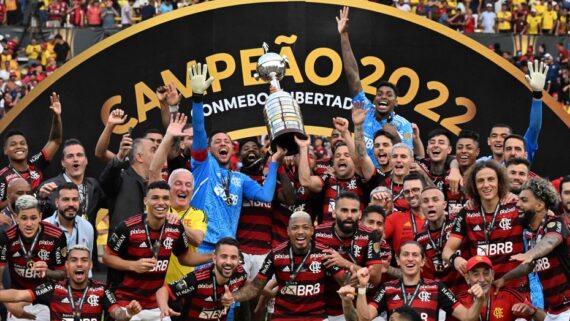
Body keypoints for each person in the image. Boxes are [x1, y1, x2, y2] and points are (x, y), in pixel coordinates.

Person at [189, 63, 283, 255]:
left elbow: (266, 196)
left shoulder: (241, 180)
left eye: (227, 141)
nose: (223, 143)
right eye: (217, 141)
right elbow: (199, 130)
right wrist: (197, 99)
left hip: (227, 251)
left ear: (233, 149)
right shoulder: (202, 166)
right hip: (200, 245)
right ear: (209, 147)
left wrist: (275, 161)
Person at [103, 181, 209, 321]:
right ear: (145, 201)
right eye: (155, 198)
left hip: (155, 304)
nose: (161, 203)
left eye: (165, 198)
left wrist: (212, 256)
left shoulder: (176, 228)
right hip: (126, 301)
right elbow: (107, 258)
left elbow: (185, 258)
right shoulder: (128, 227)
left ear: (170, 201)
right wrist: (133, 265)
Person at [221, 211, 345, 320]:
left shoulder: (324, 253)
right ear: (288, 231)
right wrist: (233, 297)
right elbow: (255, 287)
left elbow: (345, 281)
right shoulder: (276, 254)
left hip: (316, 317)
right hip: (284, 316)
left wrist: (353, 276)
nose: (300, 232)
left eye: (305, 227)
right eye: (295, 228)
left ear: (312, 230)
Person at [337, 7, 413, 169]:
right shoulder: (365, 109)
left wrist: (395, 138)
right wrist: (344, 35)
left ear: (396, 103)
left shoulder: (404, 125)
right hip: (363, 176)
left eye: (389, 95)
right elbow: (352, 75)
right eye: (379, 94)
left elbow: (409, 161)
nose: (383, 97)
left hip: (389, 181)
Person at [338, 241, 488, 321]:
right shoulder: (387, 288)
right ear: (397, 260)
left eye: (415, 255)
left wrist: (479, 299)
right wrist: (362, 287)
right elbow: (363, 319)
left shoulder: (436, 287)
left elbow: (468, 317)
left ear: (422, 261)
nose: (410, 259)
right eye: (405, 255)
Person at [442, 161, 528, 294]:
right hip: (482, 290)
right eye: (480, 181)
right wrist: (456, 259)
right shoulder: (467, 212)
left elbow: (546, 216)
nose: (486, 185)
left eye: (491, 179)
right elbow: (447, 251)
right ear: (474, 186)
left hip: (515, 289)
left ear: (500, 182)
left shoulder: (516, 206)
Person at [0, 244, 142, 321]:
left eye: (84, 260)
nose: (79, 264)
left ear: (91, 265)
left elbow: (118, 314)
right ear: (67, 265)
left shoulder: (102, 290)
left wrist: (128, 313)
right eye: (74, 260)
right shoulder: (53, 288)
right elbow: (18, 295)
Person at [496, 178, 570, 320]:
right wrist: (503, 279)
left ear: (539, 205)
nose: (517, 204)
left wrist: (530, 253)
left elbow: (550, 242)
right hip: (554, 311)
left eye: (524, 200)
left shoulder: (555, 223)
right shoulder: (533, 234)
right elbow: (530, 266)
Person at [148, 115, 207, 284]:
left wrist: (177, 223)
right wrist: (169, 137)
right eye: (178, 184)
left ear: (193, 190)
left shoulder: (198, 214)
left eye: (188, 185)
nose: (183, 188)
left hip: (185, 287)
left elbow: (197, 239)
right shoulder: (159, 206)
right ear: (169, 187)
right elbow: (153, 172)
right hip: (156, 285)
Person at [314, 192, 382, 320]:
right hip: (322, 307)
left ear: (360, 214)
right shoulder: (318, 233)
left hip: (354, 306)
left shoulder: (369, 235)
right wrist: (358, 271)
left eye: (354, 211)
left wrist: (344, 263)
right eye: (344, 210)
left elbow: (375, 278)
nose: (349, 215)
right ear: (334, 213)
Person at [0, 195, 67, 321]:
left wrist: (47, 272)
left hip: (47, 298)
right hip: (16, 298)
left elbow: (63, 274)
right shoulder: (6, 237)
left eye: (34, 218)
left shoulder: (56, 236)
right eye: (24, 218)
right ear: (16, 217)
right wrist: (10, 305)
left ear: (40, 217)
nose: (29, 224)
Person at [156, 237, 247, 321]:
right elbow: (163, 291)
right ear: (214, 258)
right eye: (224, 256)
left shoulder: (240, 273)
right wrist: (164, 308)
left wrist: (234, 296)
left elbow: (250, 287)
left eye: (233, 257)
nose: (228, 262)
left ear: (239, 259)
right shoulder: (197, 279)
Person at [0, 92, 63, 210]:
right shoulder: (2, 176)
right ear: (5, 150)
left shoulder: (35, 163)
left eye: (22, 143)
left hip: (40, 220)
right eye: (13, 144)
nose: (19, 146)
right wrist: (19, 197)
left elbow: (55, 141)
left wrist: (56, 116)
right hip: (17, 223)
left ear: (27, 147)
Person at [452, 255, 545, 321]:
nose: (482, 279)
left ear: (492, 275)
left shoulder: (509, 295)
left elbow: (545, 318)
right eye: (476, 274)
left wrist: (532, 311)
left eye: (486, 273)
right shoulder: (459, 301)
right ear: (467, 278)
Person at [38, 138, 106, 224]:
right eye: (70, 156)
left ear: (86, 160)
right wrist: (41, 199)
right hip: (59, 236)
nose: (75, 159)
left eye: (79, 155)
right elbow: (36, 217)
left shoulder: (93, 186)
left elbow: (114, 203)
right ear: (63, 162)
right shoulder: (48, 187)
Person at [415, 187, 466, 294]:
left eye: (435, 200)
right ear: (421, 207)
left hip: (465, 290)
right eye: (425, 201)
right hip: (440, 295)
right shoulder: (419, 238)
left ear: (444, 205)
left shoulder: (458, 224)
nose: (430, 204)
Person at [99, 136, 156, 230]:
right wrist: (119, 157)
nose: (158, 154)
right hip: (123, 243)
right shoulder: (120, 179)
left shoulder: (156, 185)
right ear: (139, 157)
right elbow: (106, 180)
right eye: (153, 150)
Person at [43, 183, 94, 261]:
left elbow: (87, 263)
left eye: (75, 199)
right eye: (66, 199)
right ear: (57, 202)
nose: (71, 204)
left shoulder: (87, 227)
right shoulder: (44, 227)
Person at [384, 172, 428, 254]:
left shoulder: (438, 217)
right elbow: (373, 237)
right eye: (407, 192)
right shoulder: (395, 218)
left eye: (415, 190)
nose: (411, 195)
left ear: (425, 190)